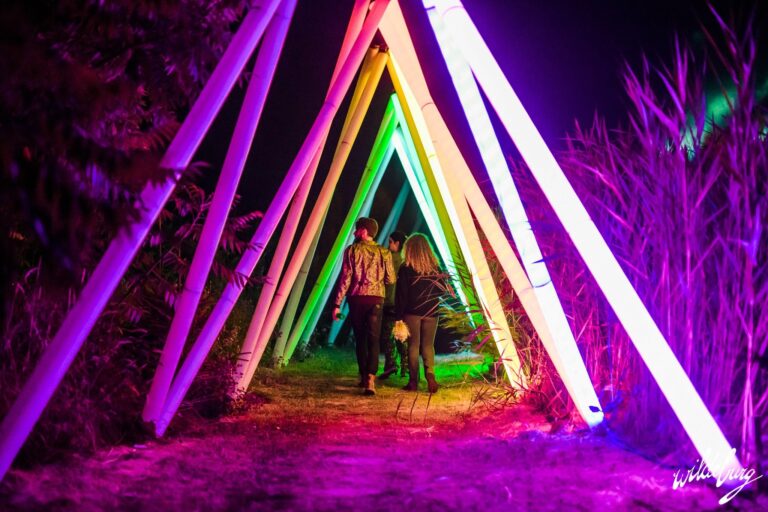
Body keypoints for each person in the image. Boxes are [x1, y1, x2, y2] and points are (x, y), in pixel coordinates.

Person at [332, 217, 396, 395]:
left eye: (357, 229)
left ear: (365, 231)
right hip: (376, 299)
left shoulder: (351, 250)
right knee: (374, 339)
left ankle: (363, 375)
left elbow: (346, 279)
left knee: (360, 339)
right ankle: (371, 379)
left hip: (357, 299)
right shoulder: (384, 252)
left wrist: (337, 303)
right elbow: (391, 279)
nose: (355, 232)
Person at [394, 233, 446, 393]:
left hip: (412, 312)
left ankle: (413, 382)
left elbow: (401, 294)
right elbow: (442, 290)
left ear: (409, 249)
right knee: (428, 345)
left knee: (413, 346)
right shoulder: (435, 268)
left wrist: (398, 316)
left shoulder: (405, 268)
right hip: (431, 311)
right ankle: (430, 375)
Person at [378, 230, 408, 380]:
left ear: (397, 243)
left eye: (390, 242)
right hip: (403, 303)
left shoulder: (389, 257)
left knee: (387, 334)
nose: (388, 245)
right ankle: (406, 366)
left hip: (390, 302)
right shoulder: (407, 260)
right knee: (402, 335)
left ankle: (391, 364)